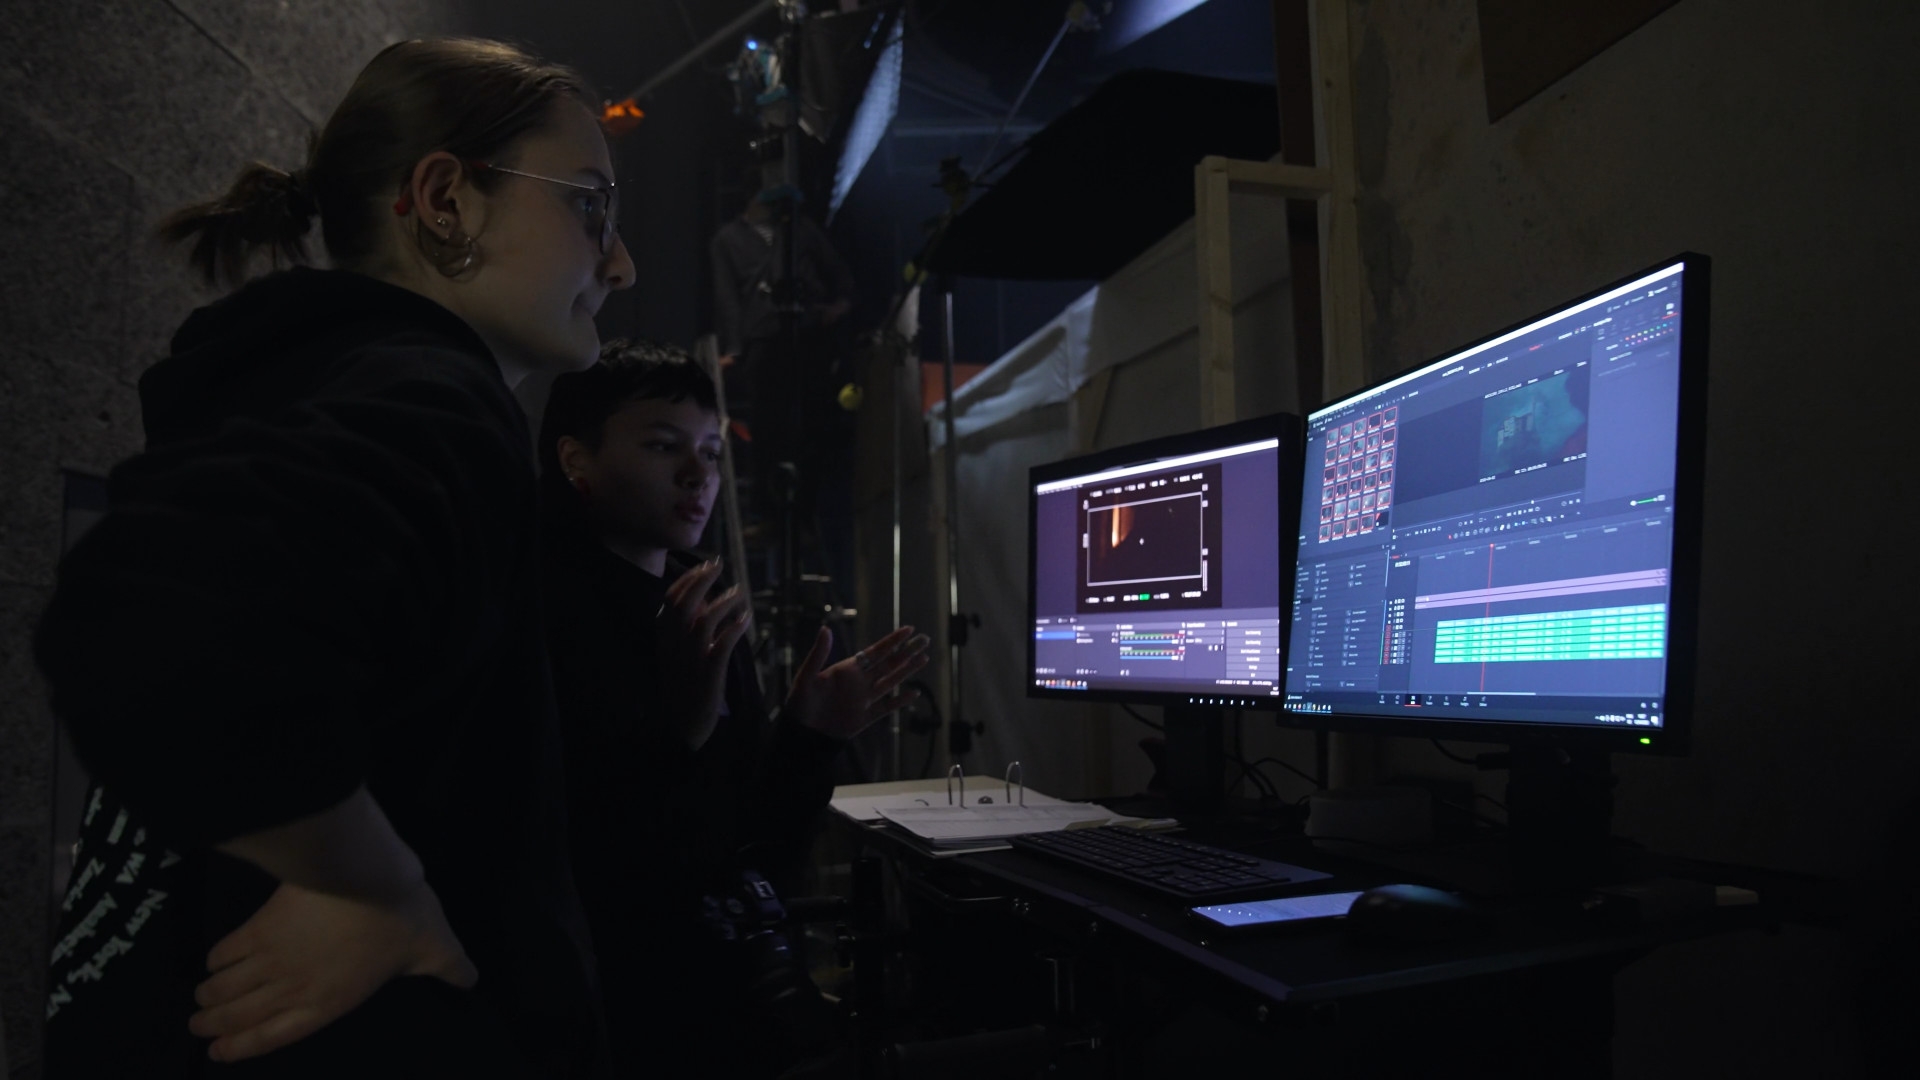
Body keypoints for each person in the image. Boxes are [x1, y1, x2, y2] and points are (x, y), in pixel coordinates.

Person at [33, 38, 634, 1077]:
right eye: (590, 204)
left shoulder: (297, 382)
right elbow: (149, 622)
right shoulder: (437, 398)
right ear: (444, 200)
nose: (621, 264)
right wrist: (371, 885)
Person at [537, 340, 927, 1075]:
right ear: (575, 461)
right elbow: (598, 871)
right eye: (663, 446)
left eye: (712, 453)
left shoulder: (703, 601)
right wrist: (675, 730)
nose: (699, 474)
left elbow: (753, 853)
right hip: (627, 1018)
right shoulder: (539, 613)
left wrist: (810, 733)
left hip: (742, 993)